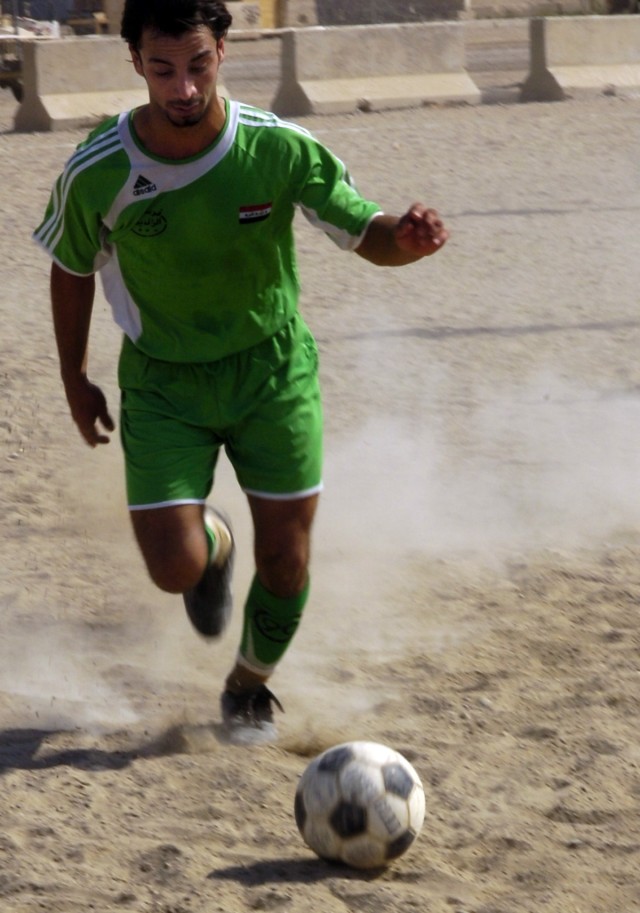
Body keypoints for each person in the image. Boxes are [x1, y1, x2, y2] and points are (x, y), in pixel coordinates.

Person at [34, 0, 449, 745]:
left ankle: (248, 687)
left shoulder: (278, 148)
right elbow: (70, 268)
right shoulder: (99, 168)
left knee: (287, 560)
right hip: (164, 383)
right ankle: (212, 545)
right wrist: (74, 376)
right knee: (173, 568)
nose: (183, 88)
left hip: (272, 372)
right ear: (136, 64)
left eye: (197, 65)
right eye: (163, 70)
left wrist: (406, 242)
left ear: (222, 49)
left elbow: (365, 231)